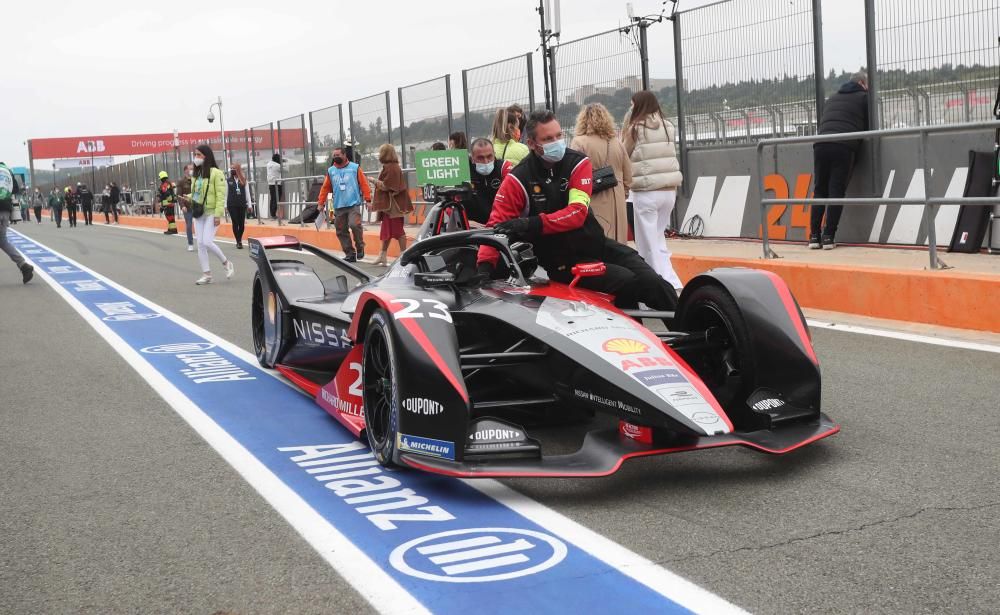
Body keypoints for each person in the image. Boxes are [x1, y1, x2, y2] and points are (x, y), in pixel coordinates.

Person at [477, 110, 678, 311]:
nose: (556, 142)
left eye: (558, 136)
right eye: (548, 139)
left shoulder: (578, 162)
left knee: (656, 284)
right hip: (563, 262)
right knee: (626, 282)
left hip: (597, 245)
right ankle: (633, 340)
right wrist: (483, 271)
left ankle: (692, 335)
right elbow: (496, 224)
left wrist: (531, 223)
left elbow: (577, 213)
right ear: (531, 143)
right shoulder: (518, 178)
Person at [623, 90, 684, 292]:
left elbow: (624, 153)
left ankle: (659, 286)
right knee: (658, 239)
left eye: (632, 105)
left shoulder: (635, 128)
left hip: (646, 191)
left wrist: (626, 123)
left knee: (647, 243)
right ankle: (673, 281)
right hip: (669, 190)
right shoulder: (668, 126)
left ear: (637, 106)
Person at [810, 71, 869, 250]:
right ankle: (828, 237)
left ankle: (814, 237)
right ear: (862, 83)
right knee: (836, 191)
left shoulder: (832, 98)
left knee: (820, 191)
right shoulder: (864, 97)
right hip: (843, 145)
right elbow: (868, 126)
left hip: (820, 144)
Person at [571, 103, 633, 243]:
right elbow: (629, 176)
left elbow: (575, 174)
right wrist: (623, 192)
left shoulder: (579, 142)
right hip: (618, 199)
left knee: (599, 242)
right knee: (619, 245)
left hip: (594, 197)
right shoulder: (617, 142)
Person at [187, 144, 234, 285]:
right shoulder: (196, 174)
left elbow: (221, 195)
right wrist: (188, 197)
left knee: (207, 241)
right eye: (195, 155)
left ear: (206, 156)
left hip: (212, 212)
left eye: (199, 155)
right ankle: (207, 274)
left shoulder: (216, 173)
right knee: (200, 243)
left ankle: (226, 263)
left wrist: (218, 215)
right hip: (199, 212)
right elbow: (197, 194)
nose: (196, 158)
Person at [317, 146, 372, 263]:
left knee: (354, 225)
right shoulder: (331, 171)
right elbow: (325, 188)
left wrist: (368, 200)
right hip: (338, 206)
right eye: (334, 156)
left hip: (353, 204)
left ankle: (360, 246)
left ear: (344, 155)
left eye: (338, 155)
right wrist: (320, 203)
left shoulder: (355, 168)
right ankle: (350, 253)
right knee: (341, 230)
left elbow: (364, 184)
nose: (336, 157)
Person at [371, 144, 414, 266]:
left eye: (381, 152)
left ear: (385, 154)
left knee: (398, 231)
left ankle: (403, 255)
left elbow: (387, 186)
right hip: (390, 205)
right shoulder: (391, 166)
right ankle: (382, 255)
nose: (379, 155)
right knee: (387, 231)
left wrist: (373, 181)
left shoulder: (391, 168)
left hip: (393, 205)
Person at [467, 137, 513, 224]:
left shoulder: (504, 167)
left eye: (489, 156)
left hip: (499, 224)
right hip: (470, 226)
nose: (486, 161)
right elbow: (450, 203)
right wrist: (466, 222)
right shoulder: (463, 169)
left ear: (494, 154)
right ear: (472, 158)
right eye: (480, 158)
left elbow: (512, 200)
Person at [0, 162, 33, 283]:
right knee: (2, 241)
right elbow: (16, 189)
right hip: (6, 210)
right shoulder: (6, 170)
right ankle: (24, 265)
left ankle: (24, 265)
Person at [226, 162, 249, 249]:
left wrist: (249, 205)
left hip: (242, 204)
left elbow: (247, 193)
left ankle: (239, 238)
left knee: (241, 224)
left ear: (238, 170)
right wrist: (225, 205)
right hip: (231, 204)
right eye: (231, 169)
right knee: (235, 222)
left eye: (234, 169)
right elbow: (226, 194)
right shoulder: (228, 181)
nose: (232, 170)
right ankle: (238, 241)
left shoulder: (244, 180)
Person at [177, 164, 195, 251]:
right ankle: (190, 243)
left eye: (192, 169)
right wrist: (182, 206)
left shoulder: (196, 180)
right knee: (189, 225)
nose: (192, 170)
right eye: (190, 169)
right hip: (187, 207)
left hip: (197, 206)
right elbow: (179, 196)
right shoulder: (181, 182)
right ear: (185, 170)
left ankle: (203, 243)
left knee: (200, 225)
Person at [266, 152, 282, 219]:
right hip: (277, 184)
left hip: (270, 183)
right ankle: (273, 214)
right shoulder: (277, 166)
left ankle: (272, 214)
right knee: (276, 198)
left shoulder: (268, 164)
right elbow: (286, 170)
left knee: (272, 198)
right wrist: (282, 163)